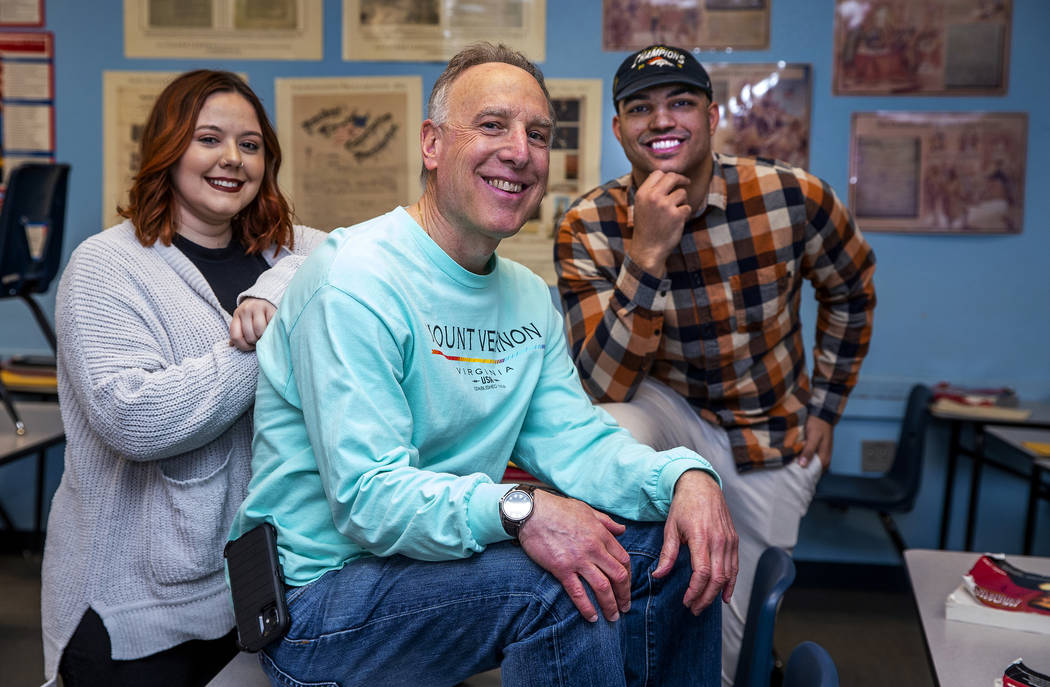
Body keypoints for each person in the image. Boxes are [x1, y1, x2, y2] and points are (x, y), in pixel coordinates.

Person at [229, 43, 737, 687]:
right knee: (567, 582)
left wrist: (686, 478)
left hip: (431, 567)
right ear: (432, 145)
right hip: (321, 601)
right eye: (492, 125)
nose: (519, 151)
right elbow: (369, 501)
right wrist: (525, 509)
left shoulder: (525, 295)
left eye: (537, 134)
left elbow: (575, 443)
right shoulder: (354, 279)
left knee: (676, 553)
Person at [554, 45, 876, 685]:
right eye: (640, 108)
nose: (661, 119)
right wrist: (645, 252)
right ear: (619, 130)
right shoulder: (588, 224)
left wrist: (828, 407)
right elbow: (602, 384)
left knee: (725, 643)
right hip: (667, 416)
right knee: (607, 426)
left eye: (680, 102)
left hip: (770, 435)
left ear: (712, 115)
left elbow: (851, 287)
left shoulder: (793, 196)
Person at [40, 70, 326, 687]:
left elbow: (353, 251)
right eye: (209, 139)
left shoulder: (287, 251)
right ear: (168, 151)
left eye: (250, 145)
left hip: (255, 593)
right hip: (133, 612)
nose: (232, 159)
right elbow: (136, 418)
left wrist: (278, 292)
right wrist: (273, 342)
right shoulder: (107, 266)